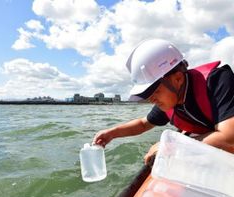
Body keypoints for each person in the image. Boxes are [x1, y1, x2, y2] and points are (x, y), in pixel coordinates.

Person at [93, 38, 234, 165]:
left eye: (154, 91)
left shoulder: (217, 80)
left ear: (177, 79)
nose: (150, 99)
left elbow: (229, 138)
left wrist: (170, 146)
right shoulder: (169, 100)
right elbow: (143, 124)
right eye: (146, 94)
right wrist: (112, 133)